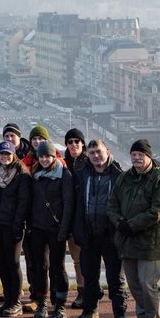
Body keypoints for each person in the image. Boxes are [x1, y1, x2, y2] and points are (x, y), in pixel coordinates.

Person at [108, 139, 160, 318]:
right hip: (126, 240)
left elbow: (158, 210)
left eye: (140, 155)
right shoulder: (124, 177)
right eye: (134, 154)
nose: (136, 158)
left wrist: (133, 225)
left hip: (149, 243)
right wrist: (120, 223)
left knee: (148, 285)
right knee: (134, 284)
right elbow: (112, 204)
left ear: (148, 156)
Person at [72, 139, 128, 318]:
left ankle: (120, 313)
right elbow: (76, 204)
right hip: (89, 234)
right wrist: (78, 229)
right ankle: (90, 310)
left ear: (107, 151)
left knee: (115, 277)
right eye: (92, 153)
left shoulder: (119, 175)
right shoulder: (82, 175)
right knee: (89, 276)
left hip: (111, 235)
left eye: (99, 151)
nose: (96, 156)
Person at [27, 139, 75, 318]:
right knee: (40, 267)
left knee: (58, 267)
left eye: (48, 156)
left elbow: (69, 203)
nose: (44, 159)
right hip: (38, 227)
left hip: (56, 228)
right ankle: (42, 304)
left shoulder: (64, 174)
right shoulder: (35, 175)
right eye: (41, 156)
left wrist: (64, 228)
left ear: (54, 156)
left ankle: (60, 306)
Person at [0, 141, 31, 317]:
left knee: (13, 263)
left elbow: (23, 203)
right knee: (1, 262)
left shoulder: (22, 176)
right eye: (2, 154)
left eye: (8, 154)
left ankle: (16, 302)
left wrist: (18, 225)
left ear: (14, 155)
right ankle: (8, 299)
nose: (5, 157)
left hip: (13, 225)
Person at [63, 127, 89, 307]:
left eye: (77, 141)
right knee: (77, 259)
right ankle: (82, 291)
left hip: (87, 219)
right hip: (70, 219)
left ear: (82, 143)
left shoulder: (89, 162)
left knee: (89, 258)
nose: (73, 145)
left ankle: (90, 291)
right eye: (70, 142)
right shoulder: (63, 164)